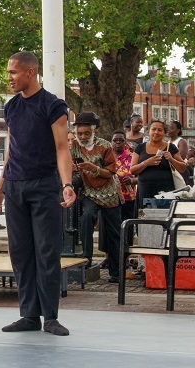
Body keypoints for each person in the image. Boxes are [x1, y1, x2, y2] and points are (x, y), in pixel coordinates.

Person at [0, 51, 75, 336]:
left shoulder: (52, 105)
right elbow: (12, 148)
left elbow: (63, 148)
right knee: (20, 252)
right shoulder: (11, 107)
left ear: (30, 72)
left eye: (13, 72)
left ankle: (50, 316)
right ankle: (28, 315)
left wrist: (66, 184)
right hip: (15, 185)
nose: (9, 77)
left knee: (47, 251)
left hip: (44, 184)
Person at [70, 113, 122, 282]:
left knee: (113, 232)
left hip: (109, 193)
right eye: (80, 133)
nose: (83, 137)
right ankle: (87, 259)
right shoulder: (75, 147)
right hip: (89, 192)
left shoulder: (105, 146)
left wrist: (94, 168)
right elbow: (70, 165)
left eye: (86, 133)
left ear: (93, 132)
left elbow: (111, 173)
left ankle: (116, 272)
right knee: (86, 217)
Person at [129, 119, 186, 208]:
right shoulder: (140, 147)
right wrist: (146, 163)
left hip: (166, 192)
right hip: (145, 190)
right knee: (144, 219)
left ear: (164, 133)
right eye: (153, 129)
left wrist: (171, 159)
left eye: (160, 130)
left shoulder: (170, 147)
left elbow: (183, 168)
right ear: (148, 131)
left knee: (163, 219)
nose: (156, 132)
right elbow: (132, 170)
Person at [111, 130, 137, 246]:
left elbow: (141, 177)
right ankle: (109, 257)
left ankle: (125, 257)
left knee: (127, 228)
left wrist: (132, 180)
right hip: (109, 198)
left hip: (127, 198)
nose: (118, 143)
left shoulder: (132, 157)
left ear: (125, 142)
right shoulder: (107, 155)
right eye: (115, 140)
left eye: (121, 140)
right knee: (111, 229)